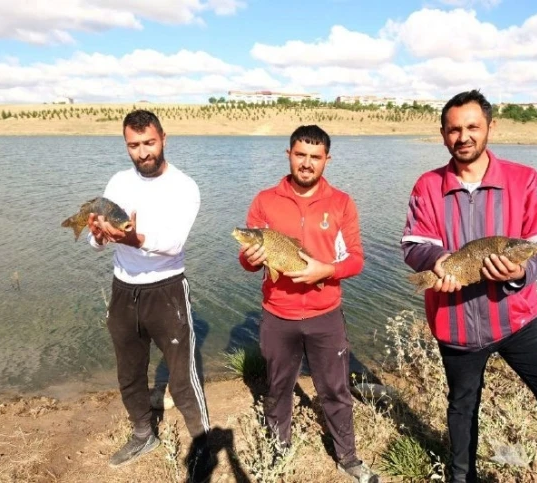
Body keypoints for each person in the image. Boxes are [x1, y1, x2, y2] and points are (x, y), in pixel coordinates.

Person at [401, 90, 537, 483]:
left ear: (490, 127)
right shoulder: (427, 185)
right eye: (454, 129)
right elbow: (413, 243)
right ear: (443, 134)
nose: (464, 137)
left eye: (473, 127)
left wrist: (518, 275)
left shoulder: (524, 179)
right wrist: (435, 262)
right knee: (462, 406)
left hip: (519, 319)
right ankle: (462, 477)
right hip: (453, 322)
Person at [237, 125, 379, 483]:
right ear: (289, 155)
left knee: (334, 389)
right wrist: (252, 258)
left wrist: (325, 270)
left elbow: (357, 259)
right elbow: (247, 261)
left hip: (325, 316)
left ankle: (347, 456)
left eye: (315, 157)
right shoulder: (265, 201)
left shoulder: (342, 203)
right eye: (300, 155)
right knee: (278, 386)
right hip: (277, 316)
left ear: (326, 160)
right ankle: (278, 448)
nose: (307, 163)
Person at [87, 110, 211, 474]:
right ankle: (143, 433)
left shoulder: (184, 186)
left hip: (167, 290)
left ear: (164, 139)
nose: (143, 152)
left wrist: (132, 238)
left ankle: (202, 444)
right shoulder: (118, 182)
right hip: (123, 289)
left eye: (149, 143)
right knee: (129, 371)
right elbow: (97, 243)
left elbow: (173, 244)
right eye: (134, 145)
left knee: (182, 375)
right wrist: (97, 236)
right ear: (126, 146)